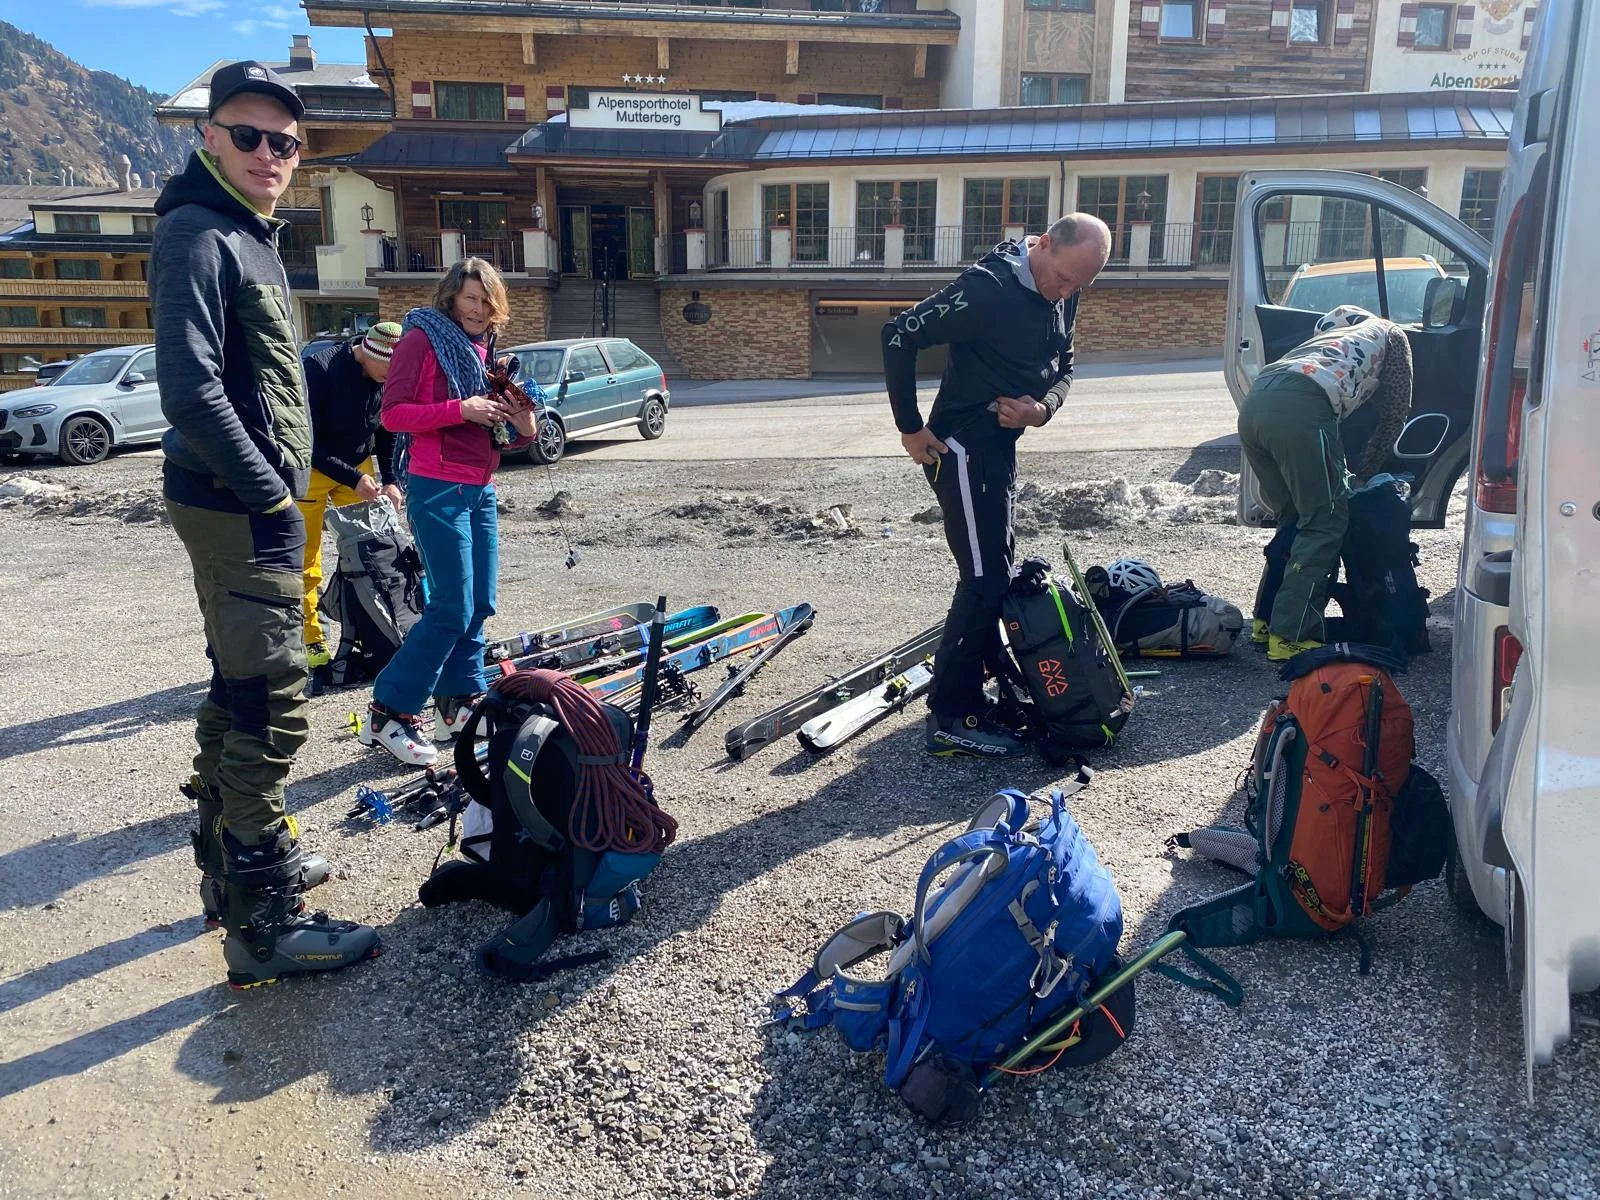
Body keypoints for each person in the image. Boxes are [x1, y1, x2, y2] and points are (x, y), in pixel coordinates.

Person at [152, 60, 379, 987]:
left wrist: (319, 468)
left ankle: (226, 869)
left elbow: (266, 386)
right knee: (275, 701)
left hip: (242, 505)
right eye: (248, 136)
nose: (269, 154)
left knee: (237, 685)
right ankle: (263, 922)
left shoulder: (246, 233)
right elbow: (191, 390)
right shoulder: (200, 234)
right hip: (239, 511)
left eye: (284, 142)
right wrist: (272, 499)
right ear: (211, 137)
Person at [882, 213, 1112, 759]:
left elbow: (1067, 366)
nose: (1066, 293)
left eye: (1080, 286)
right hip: (959, 448)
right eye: (1063, 280)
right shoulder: (988, 290)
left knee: (992, 571)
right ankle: (951, 714)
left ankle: (979, 692)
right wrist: (911, 428)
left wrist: (1042, 410)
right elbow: (898, 335)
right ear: (1045, 244)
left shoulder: (1067, 285)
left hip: (1000, 448)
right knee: (986, 578)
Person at [359, 257, 537, 767]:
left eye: (487, 300)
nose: (478, 309)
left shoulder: (486, 351)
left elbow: (521, 435)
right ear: (450, 298)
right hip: (436, 486)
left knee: (480, 602)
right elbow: (392, 414)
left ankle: (458, 704)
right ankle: (390, 711)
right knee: (451, 607)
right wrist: (462, 409)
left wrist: (522, 417)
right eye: (469, 299)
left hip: (480, 486)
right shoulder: (422, 339)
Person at [1238, 304, 1412, 660]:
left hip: (1256, 403)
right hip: (1301, 405)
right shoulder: (1390, 334)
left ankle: (1267, 621)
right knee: (1324, 522)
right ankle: (1292, 636)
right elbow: (1396, 411)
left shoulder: (1322, 345)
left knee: (1293, 519)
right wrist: (1365, 471)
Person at [298, 321, 405, 675]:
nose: (390, 380)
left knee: (371, 550)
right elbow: (307, 441)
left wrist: (390, 480)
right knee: (306, 557)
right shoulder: (320, 368)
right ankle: (313, 637)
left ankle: (373, 630)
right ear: (368, 355)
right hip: (314, 468)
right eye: (387, 371)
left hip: (357, 464)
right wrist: (354, 477)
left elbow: (387, 426)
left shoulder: (386, 377)